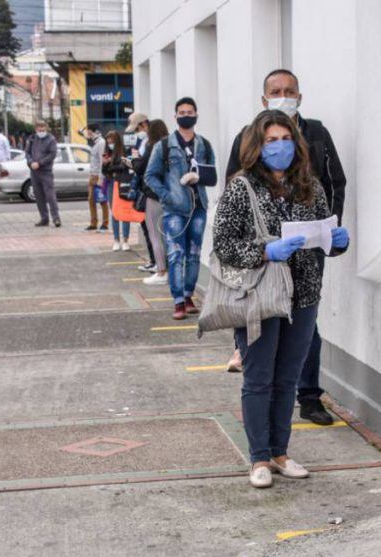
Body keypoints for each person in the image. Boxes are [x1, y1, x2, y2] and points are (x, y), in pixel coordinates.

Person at [213, 110, 349, 488]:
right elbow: (223, 245)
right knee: (259, 378)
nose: (280, 147)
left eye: (286, 139)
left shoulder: (310, 186)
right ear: (257, 146)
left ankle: (280, 452)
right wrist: (265, 252)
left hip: (303, 295)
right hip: (259, 295)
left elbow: (323, 235)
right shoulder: (241, 188)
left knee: (287, 378)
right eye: (271, 140)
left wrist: (337, 241)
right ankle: (258, 457)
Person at [224, 70, 347, 427]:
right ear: (264, 99)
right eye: (276, 91)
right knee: (263, 329)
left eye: (290, 91)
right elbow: (234, 193)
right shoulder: (247, 137)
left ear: (300, 96)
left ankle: (309, 396)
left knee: (306, 326)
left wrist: (329, 233)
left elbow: (335, 183)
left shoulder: (317, 134)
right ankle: (248, 357)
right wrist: (262, 247)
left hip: (308, 253)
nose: (284, 95)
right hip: (264, 261)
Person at [144, 97, 217, 320]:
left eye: (190, 112)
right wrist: (167, 196)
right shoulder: (164, 145)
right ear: (175, 116)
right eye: (182, 112)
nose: (186, 116)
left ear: (196, 115)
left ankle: (188, 296)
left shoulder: (204, 145)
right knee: (176, 254)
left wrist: (198, 177)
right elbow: (150, 176)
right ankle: (177, 301)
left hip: (199, 207)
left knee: (194, 254)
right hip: (174, 209)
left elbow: (212, 176)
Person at [131, 119, 170, 285]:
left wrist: (134, 160)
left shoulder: (152, 147)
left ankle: (162, 271)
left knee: (155, 234)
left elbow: (141, 168)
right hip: (170, 194)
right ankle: (170, 270)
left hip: (154, 194)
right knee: (167, 235)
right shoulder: (170, 146)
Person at [124, 113, 154, 267]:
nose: (136, 133)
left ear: (144, 124)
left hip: (150, 189)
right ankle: (154, 261)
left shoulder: (151, 142)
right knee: (146, 227)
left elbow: (142, 165)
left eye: (137, 129)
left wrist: (135, 163)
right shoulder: (143, 142)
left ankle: (158, 263)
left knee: (152, 229)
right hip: (142, 187)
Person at [25, 120, 60, 227]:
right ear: (36, 129)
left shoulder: (51, 139)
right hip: (34, 172)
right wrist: (31, 162)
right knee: (39, 196)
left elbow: (52, 154)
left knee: (50, 196)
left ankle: (56, 218)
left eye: (43, 129)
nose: (41, 131)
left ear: (46, 128)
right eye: (39, 129)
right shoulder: (32, 138)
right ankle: (44, 219)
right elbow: (27, 153)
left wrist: (40, 163)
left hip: (46, 171)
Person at [102, 130, 131, 250]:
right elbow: (104, 171)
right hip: (111, 184)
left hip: (123, 183)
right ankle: (116, 240)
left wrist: (110, 165)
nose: (110, 143)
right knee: (114, 212)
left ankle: (125, 240)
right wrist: (105, 164)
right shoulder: (106, 153)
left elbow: (124, 167)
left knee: (124, 212)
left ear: (117, 141)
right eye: (108, 141)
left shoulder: (124, 151)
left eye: (111, 141)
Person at [84, 124, 106, 231]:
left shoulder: (101, 143)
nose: (87, 132)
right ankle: (93, 223)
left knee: (102, 200)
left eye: (88, 130)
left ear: (94, 131)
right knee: (91, 200)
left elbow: (102, 161)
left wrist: (101, 178)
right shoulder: (95, 142)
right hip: (92, 174)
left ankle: (105, 223)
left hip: (97, 175)